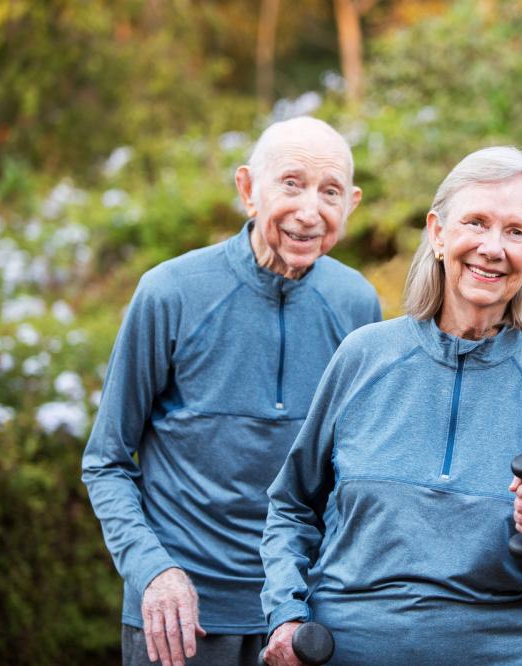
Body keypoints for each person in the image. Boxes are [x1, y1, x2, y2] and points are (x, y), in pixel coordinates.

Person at [260, 146, 522, 665]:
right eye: (476, 222)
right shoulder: (363, 357)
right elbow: (292, 506)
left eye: (516, 232)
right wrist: (286, 615)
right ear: (438, 232)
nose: (493, 248)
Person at [82, 116, 382, 666]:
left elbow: (351, 473)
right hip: (178, 622)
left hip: (302, 619)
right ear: (248, 190)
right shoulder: (169, 293)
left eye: (330, 191)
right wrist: (153, 569)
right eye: (291, 183)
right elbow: (106, 460)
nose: (310, 210)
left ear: (352, 205)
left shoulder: (358, 306)